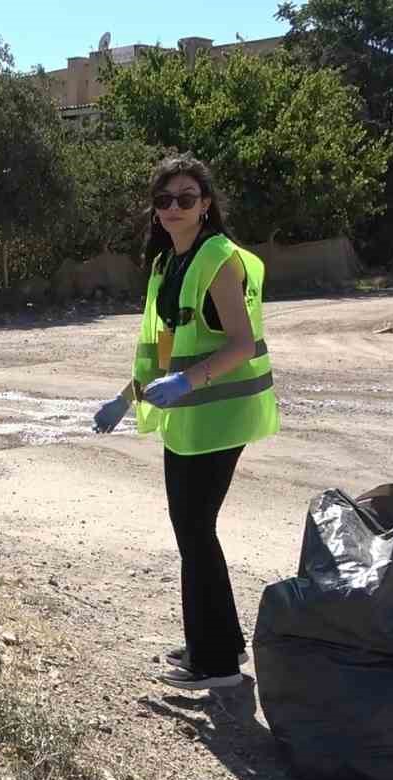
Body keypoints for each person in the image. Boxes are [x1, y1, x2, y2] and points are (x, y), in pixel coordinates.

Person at [91, 155, 281, 690]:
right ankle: (212, 643)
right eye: (164, 199)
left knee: (195, 531)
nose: (174, 207)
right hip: (192, 419)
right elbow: (160, 349)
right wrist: (126, 398)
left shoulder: (217, 258)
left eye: (186, 198)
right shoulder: (166, 265)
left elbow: (241, 345)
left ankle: (216, 663)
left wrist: (187, 383)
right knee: (193, 531)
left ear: (207, 206)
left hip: (220, 414)